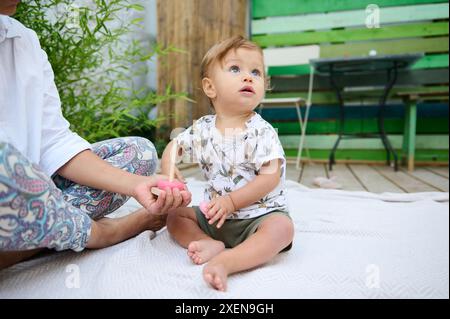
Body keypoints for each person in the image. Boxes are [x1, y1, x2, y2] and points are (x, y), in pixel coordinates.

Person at [0, 0, 191, 270]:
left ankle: (29, 241)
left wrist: (136, 184)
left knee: (139, 154)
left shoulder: (24, 41)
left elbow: (53, 142)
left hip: (32, 198)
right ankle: (100, 233)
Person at [162, 36, 294, 292]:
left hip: (257, 218)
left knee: (282, 228)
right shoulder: (203, 128)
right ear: (210, 88)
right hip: (214, 217)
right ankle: (208, 243)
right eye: (235, 69)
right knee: (176, 216)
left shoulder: (262, 131)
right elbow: (175, 145)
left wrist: (231, 202)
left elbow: (270, 177)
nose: (248, 77)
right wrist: (169, 168)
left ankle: (228, 262)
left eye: (255, 72)